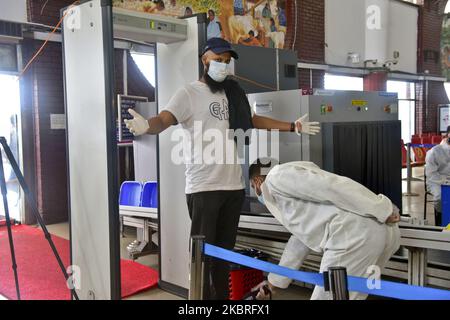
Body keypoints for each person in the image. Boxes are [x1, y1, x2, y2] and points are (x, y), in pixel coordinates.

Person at [124, 38, 320, 300]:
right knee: (202, 257)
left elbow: (251, 121)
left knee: (224, 256)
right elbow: (164, 119)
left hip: (233, 187)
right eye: (218, 60)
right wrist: (147, 126)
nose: (223, 65)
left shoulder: (234, 92)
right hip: (204, 188)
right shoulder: (189, 93)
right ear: (204, 60)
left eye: (227, 61)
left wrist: (291, 126)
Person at [249, 160, 401, 300]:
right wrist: (273, 283)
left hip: (354, 236)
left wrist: (381, 208)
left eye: (252, 187)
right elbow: (298, 244)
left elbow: (332, 186)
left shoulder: (277, 177)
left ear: (257, 181)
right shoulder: (286, 199)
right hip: (377, 233)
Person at [425, 126, 450, 226]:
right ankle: (440, 223)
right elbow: (431, 174)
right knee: (441, 196)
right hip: (436, 182)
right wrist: (446, 183)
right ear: (448, 134)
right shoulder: (434, 151)